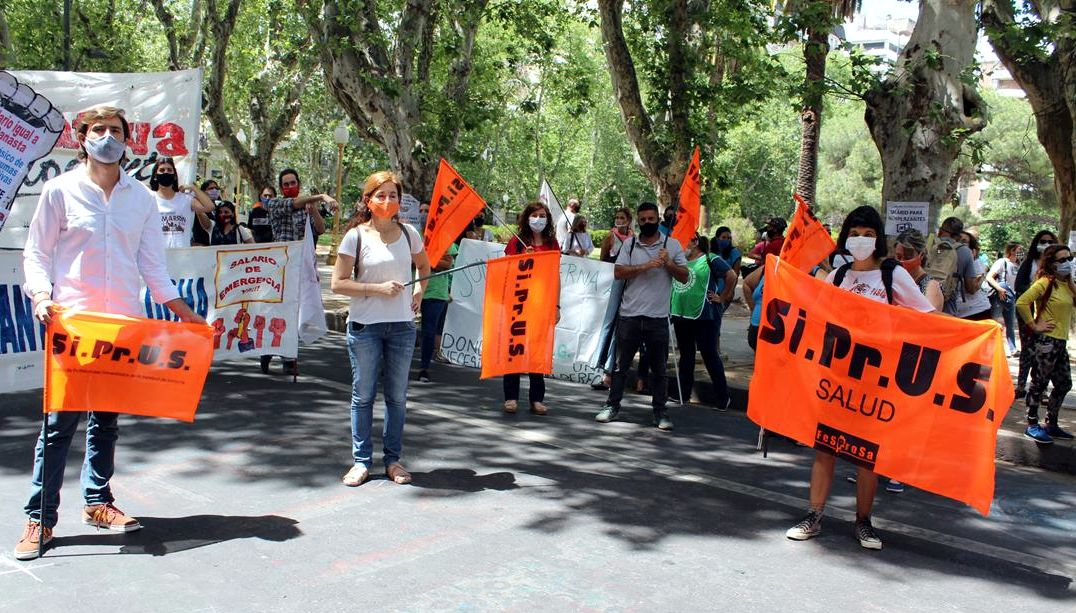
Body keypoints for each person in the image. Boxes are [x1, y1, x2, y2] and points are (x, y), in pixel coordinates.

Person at [16, 105, 206, 560]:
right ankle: (40, 518)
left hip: (122, 328)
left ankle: (97, 502)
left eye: (116, 130)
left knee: (105, 423)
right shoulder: (59, 190)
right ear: (82, 138)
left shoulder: (141, 199)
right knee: (58, 425)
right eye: (98, 130)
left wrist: (190, 318)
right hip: (72, 326)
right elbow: (36, 254)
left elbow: (154, 270)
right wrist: (41, 296)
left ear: (127, 140)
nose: (107, 137)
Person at [785, 205, 935, 551]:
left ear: (878, 238)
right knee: (825, 449)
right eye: (854, 234)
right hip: (836, 378)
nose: (861, 240)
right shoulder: (838, 276)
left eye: (868, 234)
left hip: (875, 381)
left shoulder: (893, 275)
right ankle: (813, 516)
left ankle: (864, 522)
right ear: (845, 238)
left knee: (867, 456)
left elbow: (927, 319)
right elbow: (815, 317)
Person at [331, 171, 430, 487]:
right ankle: (361, 461)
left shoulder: (410, 234)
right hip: (365, 327)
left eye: (393, 195)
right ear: (368, 200)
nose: (388, 201)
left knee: (397, 397)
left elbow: (424, 267)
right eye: (381, 195)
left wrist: (420, 291)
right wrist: (377, 289)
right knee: (363, 396)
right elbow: (337, 283)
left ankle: (393, 460)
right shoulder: (355, 236)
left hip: (402, 327)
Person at [595, 202, 688, 431]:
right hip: (630, 315)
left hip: (658, 317)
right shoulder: (629, 245)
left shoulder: (672, 245)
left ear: (658, 219)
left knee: (659, 369)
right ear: (638, 221)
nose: (647, 223)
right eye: (643, 219)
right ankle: (612, 405)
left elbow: (684, 276)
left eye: (651, 219)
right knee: (620, 367)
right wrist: (646, 266)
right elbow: (618, 272)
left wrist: (668, 263)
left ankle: (660, 412)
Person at [260, 169, 337, 375]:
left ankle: (289, 356)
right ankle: (268, 349)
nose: (289, 187)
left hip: (301, 268)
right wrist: (322, 196)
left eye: (292, 183)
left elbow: (319, 229)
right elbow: (293, 203)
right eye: (285, 184)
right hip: (280, 268)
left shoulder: (305, 207)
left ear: (299, 184)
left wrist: (314, 210)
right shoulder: (275, 204)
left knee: (295, 311)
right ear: (280, 187)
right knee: (277, 311)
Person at [502, 201, 560, 415]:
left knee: (537, 352)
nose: (538, 219)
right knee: (515, 349)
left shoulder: (552, 243)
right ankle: (511, 397)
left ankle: (536, 399)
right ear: (526, 218)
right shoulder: (517, 242)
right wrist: (522, 259)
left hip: (541, 305)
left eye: (542, 215)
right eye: (534, 215)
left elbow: (555, 275)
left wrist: (556, 305)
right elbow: (505, 271)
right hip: (518, 303)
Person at [1015, 244, 1076, 444]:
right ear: (1051, 263)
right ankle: (1032, 424)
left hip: (1060, 342)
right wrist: (1034, 325)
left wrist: (1071, 282)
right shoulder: (1045, 282)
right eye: (1062, 260)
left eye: (1070, 258)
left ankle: (1051, 423)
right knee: (1039, 384)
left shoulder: (1066, 284)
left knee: (1064, 383)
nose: (1068, 262)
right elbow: (1022, 302)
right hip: (1046, 342)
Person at [670, 234, 735, 410]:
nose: (681, 246)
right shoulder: (679, 262)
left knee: (709, 355)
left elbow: (731, 275)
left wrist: (722, 297)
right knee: (686, 355)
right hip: (682, 314)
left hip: (705, 315)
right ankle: (684, 393)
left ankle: (723, 397)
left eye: (684, 241)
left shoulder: (710, 259)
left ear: (695, 242)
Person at [1014, 230, 1057, 396]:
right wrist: (1035, 291)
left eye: (1050, 242)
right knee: (1027, 350)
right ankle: (1021, 386)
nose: (1046, 245)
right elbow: (1018, 286)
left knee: (1044, 352)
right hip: (1027, 313)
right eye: (1043, 241)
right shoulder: (1029, 263)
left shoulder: (1057, 266)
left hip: (1046, 314)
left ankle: (1040, 388)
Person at [150, 156, 214, 248]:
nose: (166, 172)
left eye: (169, 170)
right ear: (155, 176)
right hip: (157, 253)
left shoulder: (186, 199)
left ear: (174, 176)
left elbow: (209, 207)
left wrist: (193, 188)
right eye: (162, 170)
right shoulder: (150, 199)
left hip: (181, 254)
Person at [417, 238, 456, 383]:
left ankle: (424, 368)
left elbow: (447, 264)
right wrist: (433, 261)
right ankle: (392, 364)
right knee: (400, 328)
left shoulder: (444, 238)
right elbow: (407, 260)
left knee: (428, 331)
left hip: (436, 293)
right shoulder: (414, 236)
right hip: (412, 289)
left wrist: (423, 261)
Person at [934, 216, 980, 316]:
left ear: (940, 231)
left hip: (925, 305)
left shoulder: (929, 246)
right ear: (959, 236)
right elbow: (971, 288)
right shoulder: (964, 251)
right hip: (947, 309)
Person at [893, 228, 944, 312]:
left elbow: (929, 318)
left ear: (921, 255)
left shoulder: (930, 287)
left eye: (908, 257)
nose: (902, 261)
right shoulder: (894, 279)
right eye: (898, 257)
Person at [986, 242, 1022, 356]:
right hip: (999, 296)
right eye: (1019, 250)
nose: (1021, 253)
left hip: (1012, 297)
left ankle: (1012, 349)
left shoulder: (1019, 265)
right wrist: (999, 289)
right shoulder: (1002, 262)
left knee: (1010, 324)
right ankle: (990, 349)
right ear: (1012, 250)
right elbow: (989, 277)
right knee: (994, 322)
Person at [951, 231, 992, 320]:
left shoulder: (975, 263)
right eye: (957, 240)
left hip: (976, 311)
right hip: (955, 313)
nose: (959, 244)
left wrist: (971, 261)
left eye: (964, 241)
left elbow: (972, 289)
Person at [191, 179, 222, 246]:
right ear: (203, 192)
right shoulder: (198, 206)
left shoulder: (219, 208)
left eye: (216, 188)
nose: (214, 190)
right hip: (201, 245)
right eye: (211, 188)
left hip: (215, 246)